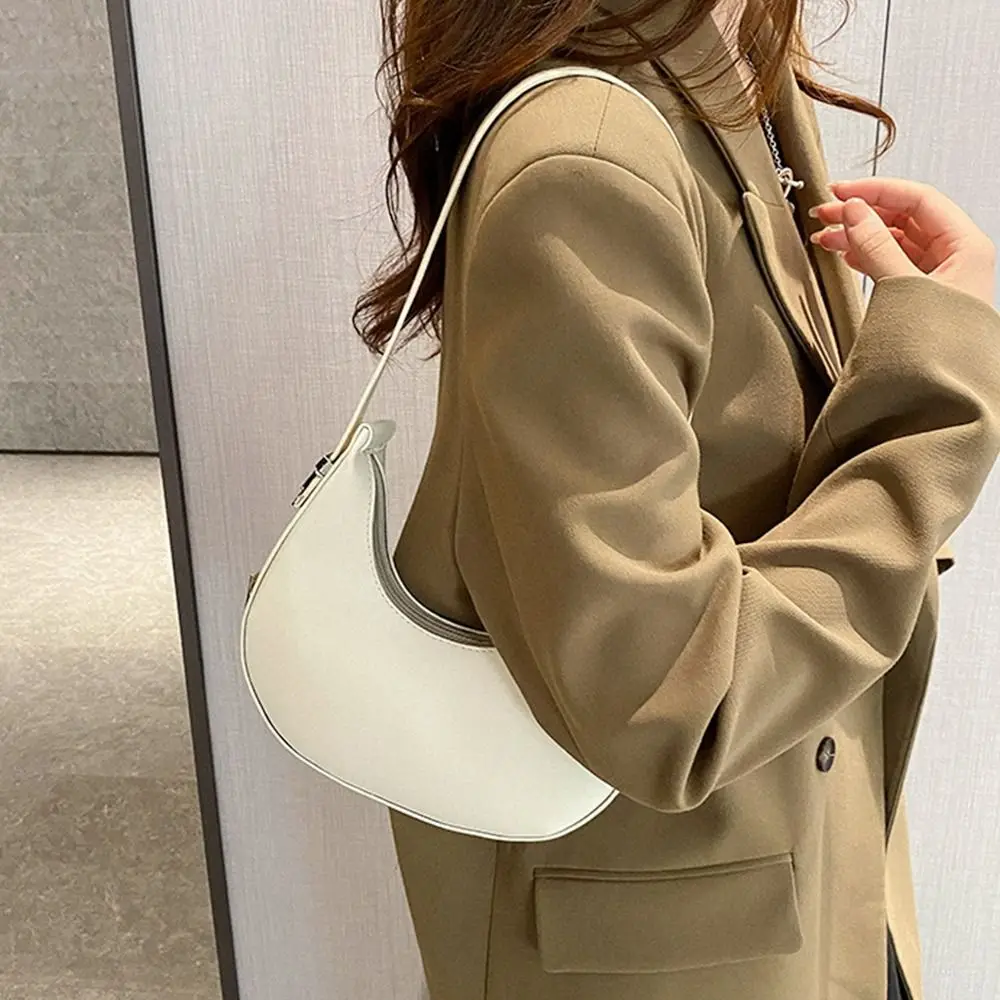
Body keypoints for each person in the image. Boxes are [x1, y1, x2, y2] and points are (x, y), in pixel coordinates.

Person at [353, 1, 1000, 998]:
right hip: (676, 939)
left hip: (802, 852)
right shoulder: (589, 159)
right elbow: (670, 700)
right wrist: (942, 385)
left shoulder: (726, 50)